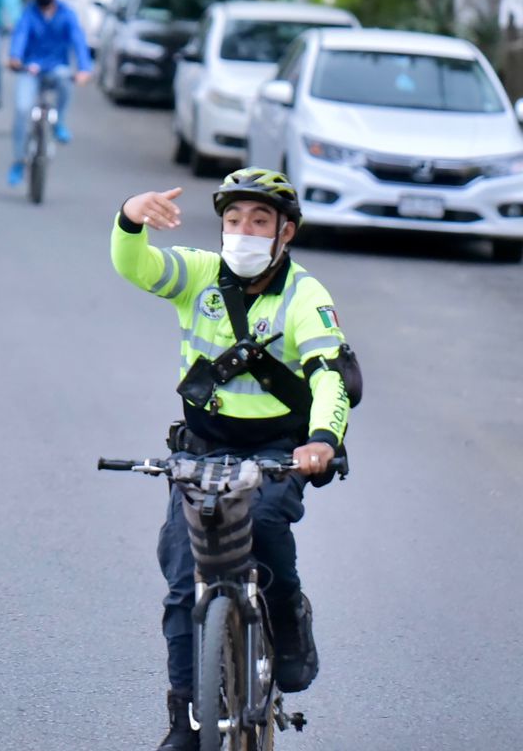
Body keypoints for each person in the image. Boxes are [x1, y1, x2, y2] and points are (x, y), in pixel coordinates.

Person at [111, 170, 351, 751]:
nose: (244, 232)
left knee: (266, 525)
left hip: (278, 452)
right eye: (234, 220)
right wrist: (130, 217)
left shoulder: (305, 295)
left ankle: (289, 621)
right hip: (201, 451)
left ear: (285, 233)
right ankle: (183, 722)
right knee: (179, 579)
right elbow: (136, 267)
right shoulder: (197, 274)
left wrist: (321, 439)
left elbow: (330, 375)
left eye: (260, 222)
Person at [6, 0, 92, 188]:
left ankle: (59, 123)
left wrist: (84, 68)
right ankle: (18, 161)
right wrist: (15, 57)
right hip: (30, 69)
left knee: (66, 81)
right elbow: (20, 36)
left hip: (56, 68)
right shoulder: (29, 13)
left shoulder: (67, 14)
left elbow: (78, 40)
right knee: (23, 109)